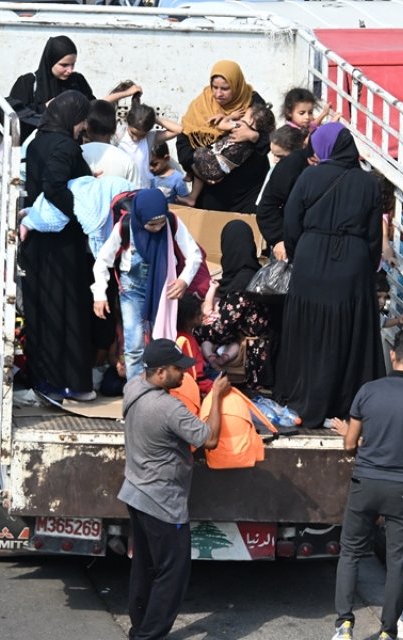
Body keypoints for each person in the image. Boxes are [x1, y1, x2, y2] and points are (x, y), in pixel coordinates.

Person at [328, 329, 403, 640]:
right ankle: (387, 630)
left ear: (392, 355)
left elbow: (349, 444)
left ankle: (344, 624)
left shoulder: (368, 391)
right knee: (398, 562)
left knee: (351, 552)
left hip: (366, 482)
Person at [119, 339, 233, 640]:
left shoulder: (133, 387)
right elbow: (208, 438)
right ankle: (149, 635)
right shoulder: (169, 408)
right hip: (163, 503)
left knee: (144, 567)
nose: (184, 373)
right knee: (172, 574)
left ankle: (138, 628)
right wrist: (217, 397)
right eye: (177, 369)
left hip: (135, 492)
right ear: (159, 373)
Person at [276, 124, 385, 427]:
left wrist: (300, 252)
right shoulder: (369, 184)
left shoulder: (310, 176)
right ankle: (348, 403)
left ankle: (306, 398)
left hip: (311, 260)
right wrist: (368, 266)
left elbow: (291, 219)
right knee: (349, 333)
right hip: (352, 263)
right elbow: (374, 234)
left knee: (309, 331)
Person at [19, 90, 96, 402]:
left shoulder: (37, 142)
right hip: (63, 245)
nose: (83, 127)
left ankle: (44, 380)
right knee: (68, 310)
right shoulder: (65, 145)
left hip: (39, 240)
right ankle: (71, 383)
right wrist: (81, 213)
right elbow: (54, 186)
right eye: (81, 121)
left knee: (43, 310)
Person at [92, 188, 204, 380]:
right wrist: (100, 295)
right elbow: (103, 260)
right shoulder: (125, 227)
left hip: (163, 290)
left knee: (160, 342)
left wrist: (184, 280)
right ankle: (136, 393)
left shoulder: (172, 222)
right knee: (134, 344)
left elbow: (194, 255)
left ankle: (156, 390)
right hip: (132, 291)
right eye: (152, 224)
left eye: (161, 223)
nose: (158, 228)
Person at [175, 60, 270, 213]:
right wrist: (199, 169)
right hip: (212, 193)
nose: (218, 94)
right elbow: (183, 139)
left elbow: (268, 139)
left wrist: (252, 136)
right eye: (215, 87)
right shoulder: (201, 104)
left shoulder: (253, 103)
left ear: (237, 85)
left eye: (225, 88)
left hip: (248, 191)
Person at [7, 35, 138, 140]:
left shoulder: (77, 81)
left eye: (72, 65)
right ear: (50, 61)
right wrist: (45, 107)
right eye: (64, 65)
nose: (69, 70)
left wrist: (124, 93)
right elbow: (14, 114)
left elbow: (92, 106)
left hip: (71, 148)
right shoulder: (28, 83)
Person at [195, 220, 273, 388]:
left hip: (251, 362)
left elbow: (220, 329)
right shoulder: (253, 274)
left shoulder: (242, 285)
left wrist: (192, 327)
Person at [256, 124, 313, 262]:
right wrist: (278, 239)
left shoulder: (303, 169)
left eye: (280, 156)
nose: (275, 160)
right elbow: (266, 208)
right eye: (273, 155)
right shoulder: (280, 172)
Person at [116, 93, 185, 190]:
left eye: (142, 135)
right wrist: (128, 92)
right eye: (133, 133)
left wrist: (154, 119)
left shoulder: (149, 138)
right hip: (122, 190)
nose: (136, 138)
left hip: (143, 188)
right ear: (128, 123)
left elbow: (178, 130)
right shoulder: (119, 134)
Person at [82, 99, 139, 185]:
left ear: (87, 127)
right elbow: (136, 195)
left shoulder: (76, 154)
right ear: (114, 128)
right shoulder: (126, 160)